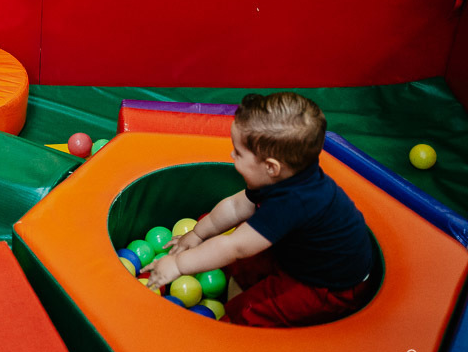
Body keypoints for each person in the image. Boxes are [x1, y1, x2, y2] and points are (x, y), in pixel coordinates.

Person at [145, 92, 376, 327]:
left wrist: (178, 264)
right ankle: (240, 280)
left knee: (247, 313)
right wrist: (198, 234)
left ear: (271, 167)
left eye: (238, 152)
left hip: (325, 286)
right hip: (296, 252)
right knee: (224, 235)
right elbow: (236, 206)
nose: (231, 154)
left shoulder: (294, 202)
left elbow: (234, 246)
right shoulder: (285, 176)